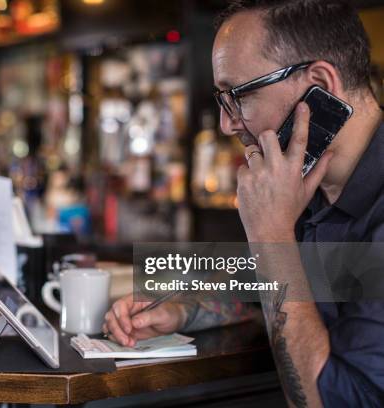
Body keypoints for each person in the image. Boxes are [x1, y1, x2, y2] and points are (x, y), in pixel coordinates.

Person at [103, 1, 384, 406]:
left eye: (239, 96)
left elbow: (332, 401)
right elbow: (273, 298)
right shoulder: (303, 181)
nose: (227, 123)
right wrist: (184, 311)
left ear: (320, 83)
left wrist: (271, 235)